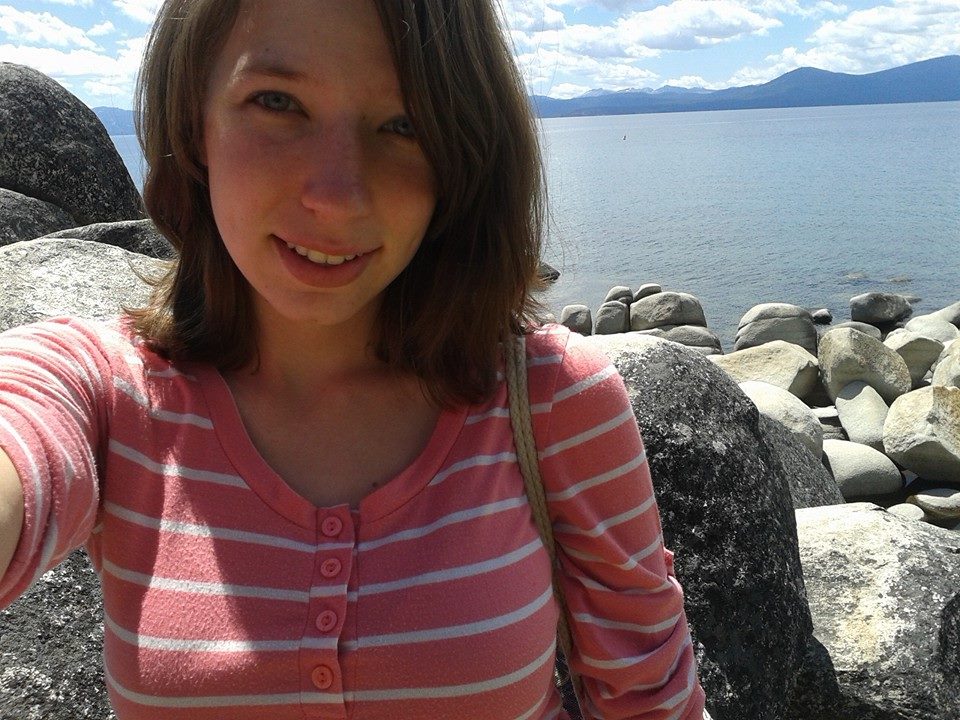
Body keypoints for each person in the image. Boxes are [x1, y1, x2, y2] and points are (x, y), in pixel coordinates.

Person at [0, 0, 706, 718]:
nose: (336, 197)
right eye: (277, 103)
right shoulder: (108, 393)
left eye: (403, 125)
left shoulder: (553, 399)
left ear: (461, 153)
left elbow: (653, 701)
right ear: (193, 124)